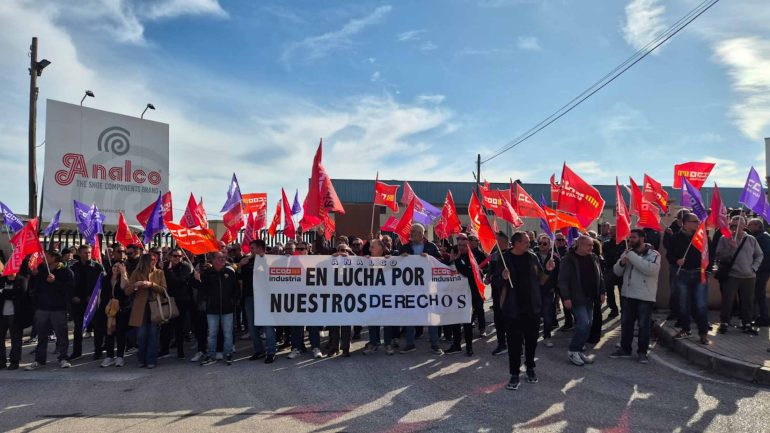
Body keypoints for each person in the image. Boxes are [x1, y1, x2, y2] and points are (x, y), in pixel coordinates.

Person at [500, 232, 553, 390]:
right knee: (514, 343)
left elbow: (541, 280)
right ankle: (514, 374)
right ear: (516, 243)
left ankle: (530, 367)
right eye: (525, 242)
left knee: (531, 341)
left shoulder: (532, 257)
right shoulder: (504, 258)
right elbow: (494, 280)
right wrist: (502, 277)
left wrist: (548, 271)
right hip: (512, 308)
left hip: (532, 307)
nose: (529, 244)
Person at [610, 229, 661, 363]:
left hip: (645, 296)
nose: (630, 240)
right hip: (628, 294)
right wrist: (622, 263)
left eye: (633, 237)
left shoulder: (653, 254)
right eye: (629, 237)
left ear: (642, 239)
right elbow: (617, 272)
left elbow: (649, 270)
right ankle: (625, 349)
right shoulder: (628, 252)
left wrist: (631, 256)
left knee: (644, 326)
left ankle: (642, 352)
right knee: (626, 324)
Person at [559, 236, 606, 366]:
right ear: (579, 245)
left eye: (592, 245)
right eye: (589, 245)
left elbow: (600, 276)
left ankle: (578, 350)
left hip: (591, 297)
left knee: (589, 324)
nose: (592, 248)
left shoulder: (593, 258)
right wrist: (566, 297)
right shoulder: (568, 260)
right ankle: (573, 350)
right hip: (576, 298)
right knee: (583, 323)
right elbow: (563, 281)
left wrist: (602, 291)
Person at [26, 250, 75, 371]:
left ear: (54, 258)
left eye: (46, 256)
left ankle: (63, 358)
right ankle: (39, 360)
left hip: (58, 309)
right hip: (42, 308)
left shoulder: (66, 271)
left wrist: (55, 282)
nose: (43, 258)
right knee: (41, 335)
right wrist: (34, 275)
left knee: (61, 335)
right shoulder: (41, 270)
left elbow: (69, 290)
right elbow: (34, 288)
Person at [398, 223, 443, 355]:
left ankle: (435, 344)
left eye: (414, 231)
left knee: (431, 317)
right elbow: (396, 263)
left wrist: (430, 258)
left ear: (421, 234)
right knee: (410, 317)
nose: (411, 233)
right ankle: (410, 344)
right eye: (411, 231)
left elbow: (440, 261)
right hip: (411, 288)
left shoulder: (431, 247)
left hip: (428, 288)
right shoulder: (405, 247)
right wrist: (401, 258)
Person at [667, 213, 711, 345]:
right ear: (685, 223)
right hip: (683, 275)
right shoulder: (675, 238)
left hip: (699, 274)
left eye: (697, 221)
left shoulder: (703, 237)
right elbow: (669, 256)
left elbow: (711, 254)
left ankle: (703, 333)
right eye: (694, 221)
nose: (697, 224)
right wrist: (676, 261)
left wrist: (707, 269)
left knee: (701, 305)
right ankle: (686, 329)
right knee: (683, 304)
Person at [715, 216, 763, 335]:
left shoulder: (751, 239)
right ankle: (724, 322)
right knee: (728, 300)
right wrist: (730, 249)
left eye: (736, 225)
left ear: (743, 226)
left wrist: (754, 268)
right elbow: (719, 256)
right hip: (732, 275)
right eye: (731, 225)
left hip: (749, 276)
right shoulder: (725, 238)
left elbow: (759, 255)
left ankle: (746, 322)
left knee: (748, 301)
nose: (733, 228)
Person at [195, 252, 239, 366]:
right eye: (219, 258)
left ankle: (228, 354)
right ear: (213, 260)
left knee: (228, 334)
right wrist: (196, 279)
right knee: (212, 334)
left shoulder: (230, 272)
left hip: (227, 309)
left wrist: (233, 301)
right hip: (212, 309)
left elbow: (236, 289)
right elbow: (201, 289)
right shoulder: (208, 273)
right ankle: (211, 355)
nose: (222, 260)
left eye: (224, 258)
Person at [124, 252, 167, 368]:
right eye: (152, 259)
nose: (154, 261)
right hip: (140, 307)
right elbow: (127, 291)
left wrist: (151, 284)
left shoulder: (160, 272)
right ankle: (142, 359)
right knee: (141, 335)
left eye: (155, 259)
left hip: (155, 306)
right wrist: (135, 285)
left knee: (153, 334)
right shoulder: (136, 273)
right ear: (145, 261)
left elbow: (164, 290)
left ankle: (151, 360)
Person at [448, 233, 483, 356]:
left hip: (468, 295)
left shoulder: (471, 258)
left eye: (464, 245)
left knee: (467, 322)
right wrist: (451, 261)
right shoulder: (453, 257)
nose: (461, 248)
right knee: (455, 321)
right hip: (454, 295)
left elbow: (469, 273)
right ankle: (456, 345)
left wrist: (456, 261)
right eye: (459, 245)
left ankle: (469, 347)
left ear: (468, 246)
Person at [68, 244, 105, 360]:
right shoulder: (73, 268)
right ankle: (77, 352)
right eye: (85, 252)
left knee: (97, 328)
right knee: (78, 328)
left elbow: (103, 285)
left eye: (89, 252)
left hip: (93, 302)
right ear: (79, 254)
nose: (88, 255)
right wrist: (73, 296)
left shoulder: (97, 267)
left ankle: (98, 351)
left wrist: (94, 297)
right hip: (78, 302)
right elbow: (69, 285)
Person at [363, 238, 398, 355]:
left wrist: (392, 261)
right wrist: (365, 263)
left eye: (372, 247)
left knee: (387, 321)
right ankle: (373, 343)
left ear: (380, 248)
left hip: (386, 296)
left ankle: (387, 344)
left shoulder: (389, 259)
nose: (370, 249)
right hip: (372, 296)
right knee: (372, 321)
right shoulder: (366, 260)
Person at [160, 248, 194, 359]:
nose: (177, 258)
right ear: (170, 257)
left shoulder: (185, 267)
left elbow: (180, 282)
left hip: (181, 300)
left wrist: (169, 271)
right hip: (167, 299)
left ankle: (180, 351)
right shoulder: (164, 266)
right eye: (175, 256)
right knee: (165, 326)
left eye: (179, 256)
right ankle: (164, 350)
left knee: (179, 327)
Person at [101, 245, 130, 367]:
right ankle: (109, 356)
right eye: (114, 266)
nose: (115, 269)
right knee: (109, 332)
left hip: (121, 308)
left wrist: (123, 273)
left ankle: (120, 356)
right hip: (109, 308)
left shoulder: (123, 278)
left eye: (118, 267)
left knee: (120, 332)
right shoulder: (106, 278)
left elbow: (124, 287)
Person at [486, 231, 511, 355]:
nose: (495, 243)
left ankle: (516, 344)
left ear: (503, 242)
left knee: (510, 318)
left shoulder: (511, 255)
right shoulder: (495, 254)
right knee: (498, 318)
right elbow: (491, 269)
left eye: (497, 240)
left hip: (509, 292)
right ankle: (502, 344)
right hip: (497, 291)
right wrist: (488, 276)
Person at [663, 209, 690, 322]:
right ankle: (674, 311)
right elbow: (667, 246)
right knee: (675, 289)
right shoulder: (670, 229)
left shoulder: (691, 230)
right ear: (679, 219)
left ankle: (688, 312)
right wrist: (671, 236)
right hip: (675, 264)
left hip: (689, 265)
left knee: (688, 290)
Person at [0, 270, 30, 370]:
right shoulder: (2, 280)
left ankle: (14, 361)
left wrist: (4, 292)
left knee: (15, 339)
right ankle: (1, 361)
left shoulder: (21, 280)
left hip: (15, 314)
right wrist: (10, 293)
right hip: (2, 314)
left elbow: (21, 294)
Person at [535, 234, 560, 348]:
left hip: (548, 290)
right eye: (540, 243)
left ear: (550, 245)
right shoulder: (533, 256)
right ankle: (532, 335)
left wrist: (554, 286)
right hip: (535, 290)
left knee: (547, 314)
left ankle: (547, 336)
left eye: (545, 243)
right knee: (534, 314)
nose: (542, 245)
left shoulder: (555, 257)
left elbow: (558, 275)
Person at [746, 218, 770, 326]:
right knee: (757, 293)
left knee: (760, 293)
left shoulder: (763, 237)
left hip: (762, 270)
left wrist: (757, 268)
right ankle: (757, 316)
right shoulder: (761, 236)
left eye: (750, 225)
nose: (748, 227)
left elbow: (764, 255)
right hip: (761, 270)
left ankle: (764, 317)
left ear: (757, 225)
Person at [467, 234, 489, 336]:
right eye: (473, 240)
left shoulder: (480, 254)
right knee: (467, 305)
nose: (475, 242)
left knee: (479, 306)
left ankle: (482, 328)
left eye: (476, 240)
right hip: (465, 284)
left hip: (477, 284)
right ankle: (468, 323)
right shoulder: (464, 252)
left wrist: (482, 270)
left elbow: (487, 268)